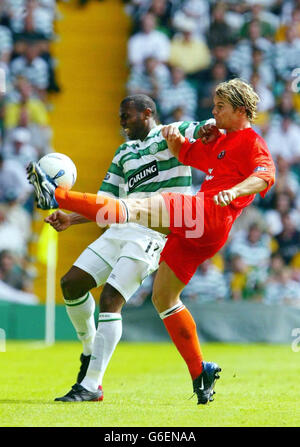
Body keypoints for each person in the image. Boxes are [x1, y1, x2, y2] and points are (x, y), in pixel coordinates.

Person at [27, 79, 276, 405]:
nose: (213, 113)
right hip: (200, 233)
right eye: (213, 107)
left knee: (138, 207)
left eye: (219, 108)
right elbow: (188, 153)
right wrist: (177, 145)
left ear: (240, 110)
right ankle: (201, 370)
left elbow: (265, 175)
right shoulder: (218, 142)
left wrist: (236, 189)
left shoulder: (250, 140)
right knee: (164, 298)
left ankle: (56, 194)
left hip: (205, 214)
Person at [37, 94, 211, 403]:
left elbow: (204, 127)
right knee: (71, 284)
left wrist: (212, 127)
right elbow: (105, 202)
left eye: (126, 116)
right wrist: (70, 218)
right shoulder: (123, 153)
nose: (121, 122)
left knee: (110, 298)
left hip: (151, 234)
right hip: (120, 228)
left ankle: (91, 386)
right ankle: (90, 349)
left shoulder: (171, 133)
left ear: (147, 114)